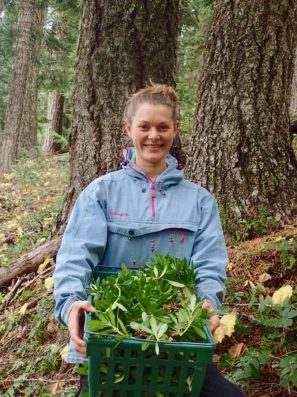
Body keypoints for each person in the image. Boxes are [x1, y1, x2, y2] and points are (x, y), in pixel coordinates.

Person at [54, 84, 245, 397]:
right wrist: (71, 305)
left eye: (162, 127)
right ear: (129, 129)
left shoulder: (199, 201)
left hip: (178, 335)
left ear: (175, 130)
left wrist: (207, 304)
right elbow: (76, 258)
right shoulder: (101, 193)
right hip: (110, 336)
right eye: (144, 126)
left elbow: (209, 264)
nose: (153, 135)